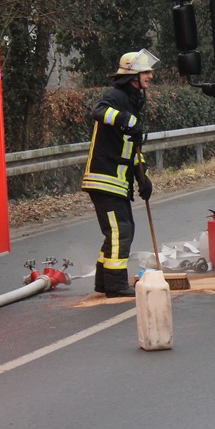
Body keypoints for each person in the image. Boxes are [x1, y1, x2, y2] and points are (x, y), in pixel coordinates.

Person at [82, 49, 158, 298]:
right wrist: (126, 119)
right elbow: (98, 111)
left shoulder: (133, 99)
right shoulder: (116, 97)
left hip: (118, 179)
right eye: (146, 71)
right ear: (133, 76)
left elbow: (133, 147)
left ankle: (104, 282)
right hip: (105, 177)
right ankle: (115, 285)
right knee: (119, 231)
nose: (150, 75)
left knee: (121, 229)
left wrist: (142, 177)